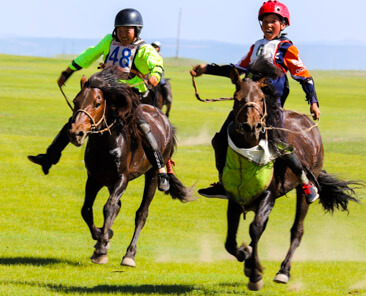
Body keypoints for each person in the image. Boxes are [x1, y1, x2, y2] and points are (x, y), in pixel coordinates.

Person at [190, 0, 320, 203]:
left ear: (283, 24)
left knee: (280, 144)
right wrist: (207, 69)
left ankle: (305, 182)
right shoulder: (256, 46)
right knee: (220, 140)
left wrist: (313, 101)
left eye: (273, 21)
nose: (268, 25)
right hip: (247, 101)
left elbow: (303, 76)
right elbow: (238, 69)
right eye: (265, 21)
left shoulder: (287, 48)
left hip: (270, 104)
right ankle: (224, 183)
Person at [28, 8, 170, 191]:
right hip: (106, 90)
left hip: (130, 94)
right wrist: (68, 71)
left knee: (143, 125)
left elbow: (156, 63)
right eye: (119, 30)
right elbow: (90, 55)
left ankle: (161, 169)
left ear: (137, 30)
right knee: (78, 118)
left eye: (127, 31)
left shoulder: (144, 49)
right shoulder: (108, 41)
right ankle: (49, 157)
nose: (123, 34)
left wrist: (155, 77)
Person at [151, 41, 173, 105]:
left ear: (159, 48)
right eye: (153, 46)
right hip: (148, 74)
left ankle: (167, 98)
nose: (154, 48)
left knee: (163, 84)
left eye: (156, 47)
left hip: (158, 74)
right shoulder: (148, 54)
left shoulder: (159, 55)